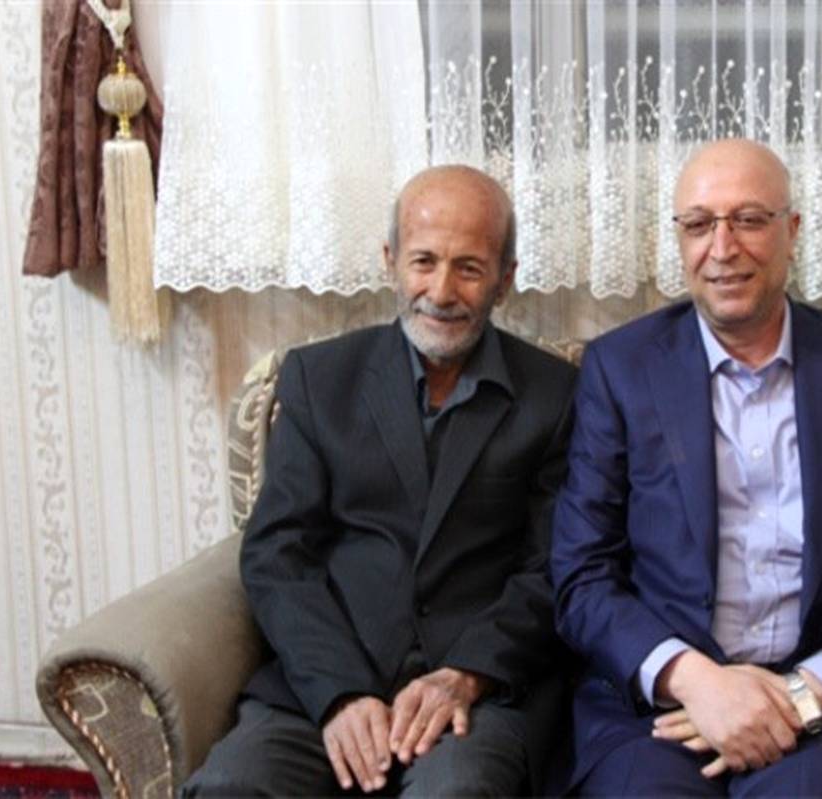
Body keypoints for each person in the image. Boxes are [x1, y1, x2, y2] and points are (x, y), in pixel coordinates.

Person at [551, 139, 822, 796]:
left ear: (792, 231)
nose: (722, 248)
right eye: (699, 224)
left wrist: (807, 692)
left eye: (749, 220)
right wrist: (693, 679)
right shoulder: (621, 370)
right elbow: (581, 576)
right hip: (660, 712)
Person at [185, 165, 577, 796]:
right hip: (321, 688)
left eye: (469, 268)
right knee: (232, 787)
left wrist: (467, 674)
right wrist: (339, 693)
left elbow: (554, 567)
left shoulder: (556, 396)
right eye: (424, 261)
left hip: (473, 698)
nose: (441, 291)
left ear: (504, 279)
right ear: (390, 260)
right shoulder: (318, 379)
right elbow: (277, 553)